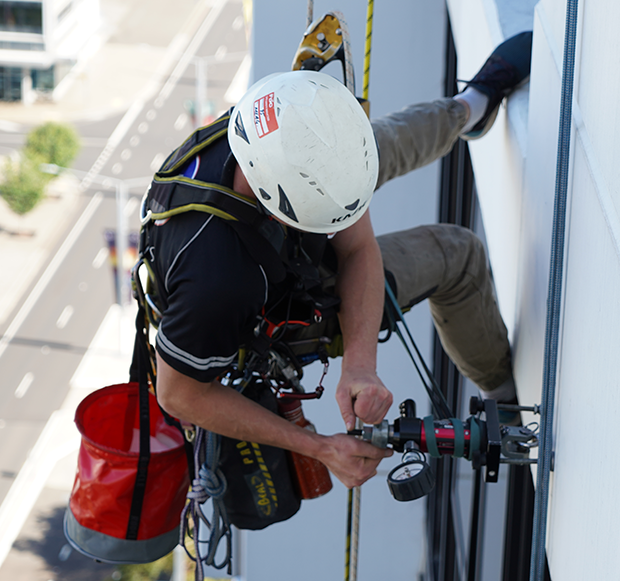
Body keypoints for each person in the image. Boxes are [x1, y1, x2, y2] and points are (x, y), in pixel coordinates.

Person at [148, 31, 533, 489]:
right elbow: (179, 393)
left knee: (375, 145)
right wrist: (322, 448)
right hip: (279, 302)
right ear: (290, 207)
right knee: (456, 254)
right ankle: (504, 393)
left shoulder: (263, 124)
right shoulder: (221, 284)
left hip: (275, 242)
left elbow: (357, 246)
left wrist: (361, 366)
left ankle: (471, 107)